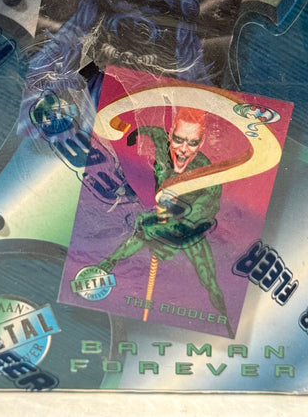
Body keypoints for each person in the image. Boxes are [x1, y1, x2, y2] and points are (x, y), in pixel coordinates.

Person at [19, 0, 208, 134]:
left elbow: (188, 61)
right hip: (98, 73)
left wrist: (194, 102)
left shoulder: (180, 3)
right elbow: (71, 34)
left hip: (146, 85)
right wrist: (35, 71)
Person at [98, 107, 234, 337]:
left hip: (188, 228)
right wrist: (135, 134)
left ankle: (225, 323)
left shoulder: (207, 174)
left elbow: (207, 209)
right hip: (160, 217)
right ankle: (101, 269)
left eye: (192, 143)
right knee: (130, 242)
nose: (183, 149)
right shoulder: (164, 143)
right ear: (171, 135)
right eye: (178, 140)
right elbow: (154, 132)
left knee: (208, 279)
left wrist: (173, 231)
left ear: (201, 143)